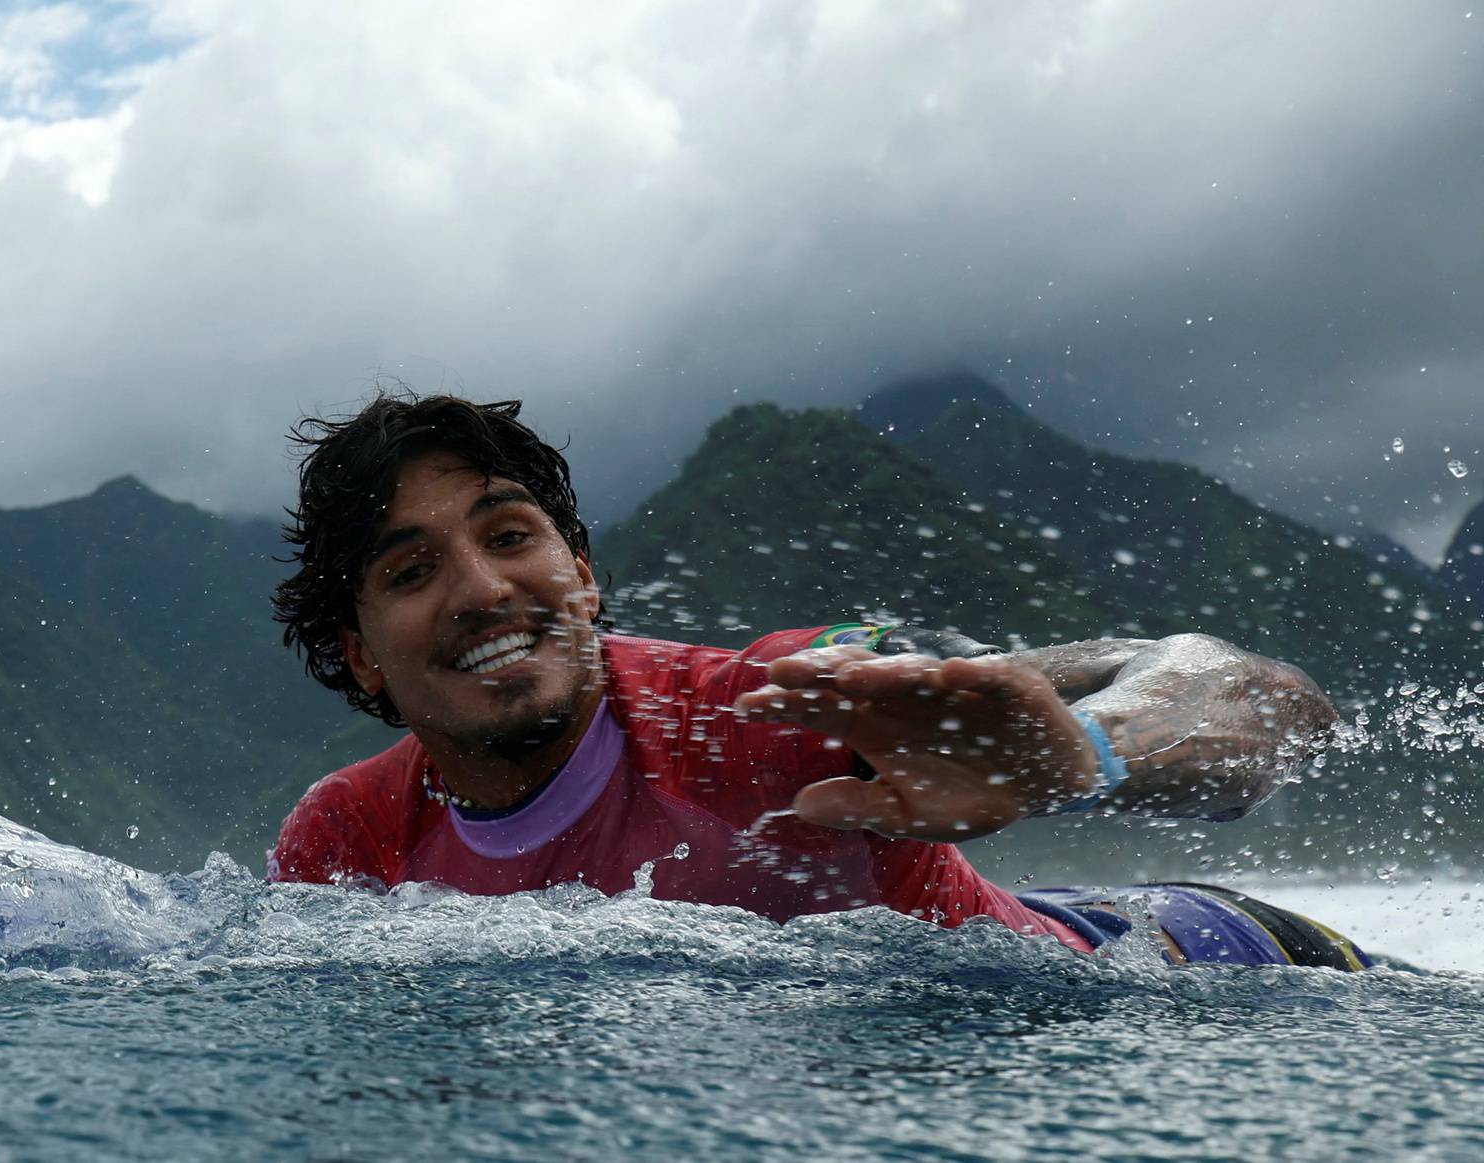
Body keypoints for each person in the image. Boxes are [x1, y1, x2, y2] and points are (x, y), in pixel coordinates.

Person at [268, 393, 1370, 969]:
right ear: (360, 650)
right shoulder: (347, 840)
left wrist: (1085, 758)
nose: (480, 589)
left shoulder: (780, 707)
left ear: (585, 577)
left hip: (1213, 966)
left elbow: (1270, 703)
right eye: (412, 570)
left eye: (511, 534)